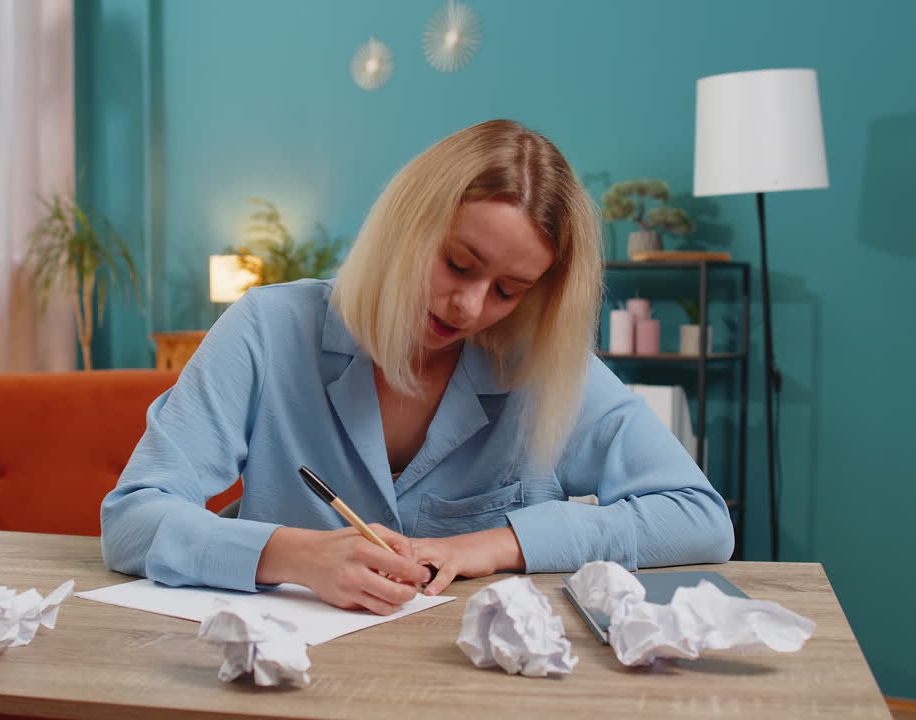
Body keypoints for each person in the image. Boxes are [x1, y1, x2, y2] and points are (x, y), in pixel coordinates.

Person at [101, 119, 733, 616]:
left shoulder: (542, 366)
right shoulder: (267, 329)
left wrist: (496, 544)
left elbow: (700, 520)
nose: (470, 306)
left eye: (509, 290)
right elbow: (132, 518)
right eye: (459, 264)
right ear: (407, 226)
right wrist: (295, 555)